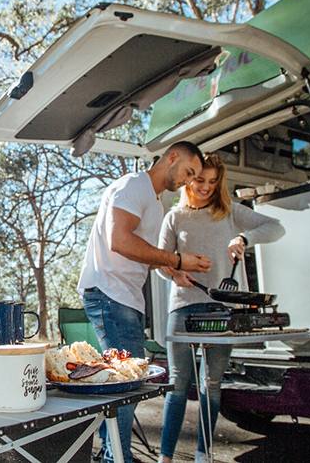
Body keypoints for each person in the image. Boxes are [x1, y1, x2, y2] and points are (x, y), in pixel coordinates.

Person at [77, 141, 212, 463]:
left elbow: (140, 252)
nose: (189, 181)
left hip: (126, 296)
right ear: (172, 157)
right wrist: (177, 259)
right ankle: (115, 458)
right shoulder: (133, 185)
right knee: (129, 383)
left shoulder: (156, 203)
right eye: (189, 172)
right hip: (110, 293)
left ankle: (110, 453)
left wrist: (169, 268)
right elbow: (120, 240)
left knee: (124, 382)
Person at [156, 153, 285, 463]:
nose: (206, 187)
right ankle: (165, 457)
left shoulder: (229, 213)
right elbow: (161, 262)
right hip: (184, 307)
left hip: (220, 310)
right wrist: (175, 271)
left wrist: (244, 237)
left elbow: (276, 227)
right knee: (178, 383)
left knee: (211, 384)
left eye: (213, 182)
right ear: (189, 180)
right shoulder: (174, 217)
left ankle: (204, 455)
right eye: (200, 180)